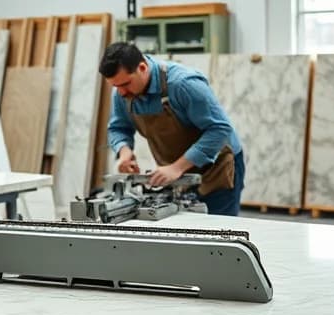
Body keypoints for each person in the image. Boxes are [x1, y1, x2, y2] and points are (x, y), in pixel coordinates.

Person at [100, 42, 244, 216]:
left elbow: (220, 129)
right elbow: (118, 127)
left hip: (216, 168)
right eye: (116, 87)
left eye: (126, 84)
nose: (121, 92)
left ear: (143, 67)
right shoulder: (122, 94)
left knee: (217, 232)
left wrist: (176, 168)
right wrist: (124, 152)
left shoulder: (184, 84)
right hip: (178, 174)